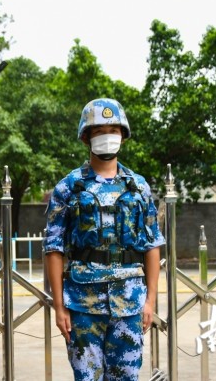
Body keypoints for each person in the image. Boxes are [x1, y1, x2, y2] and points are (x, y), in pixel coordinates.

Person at [43, 98, 165, 381]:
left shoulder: (138, 186)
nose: (108, 136)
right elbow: (53, 247)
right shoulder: (69, 187)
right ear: (86, 136)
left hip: (130, 302)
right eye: (99, 131)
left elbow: (152, 244)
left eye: (113, 129)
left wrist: (150, 301)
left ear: (123, 135)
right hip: (82, 304)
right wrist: (59, 307)